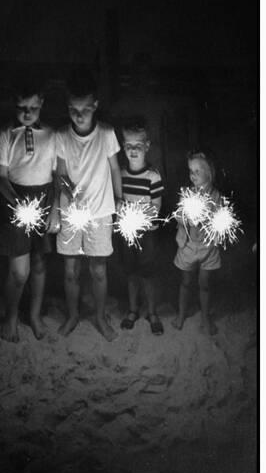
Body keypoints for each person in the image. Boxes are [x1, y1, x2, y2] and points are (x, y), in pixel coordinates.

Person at [0, 79, 59, 343]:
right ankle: (11, 315)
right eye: (21, 107)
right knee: (19, 271)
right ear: (12, 104)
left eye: (33, 108)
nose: (27, 113)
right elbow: (0, 177)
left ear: (42, 105)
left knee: (39, 264)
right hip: (15, 200)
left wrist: (55, 210)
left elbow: (57, 175)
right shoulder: (5, 133)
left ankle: (35, 315)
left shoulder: (52, 135)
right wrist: (16, 204)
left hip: (44, 199)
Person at [55, 70, 123, 342]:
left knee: (98, 269)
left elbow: (115, 169)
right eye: (73, 109)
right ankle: (72, 315)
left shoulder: (106, 133)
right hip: (71, 214)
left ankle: (99, 316)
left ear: (95, 105)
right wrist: (68, 189)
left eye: (84, 109)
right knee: (70, 269)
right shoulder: (62, 135)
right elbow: (59, 173)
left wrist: (119, 202)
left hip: (101, 210)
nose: (79, 115)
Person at [118, 123, 165, 335]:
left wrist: (136, 216)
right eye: (128, 145)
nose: (133, 150)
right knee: (131, 272)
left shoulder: (153, 177)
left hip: (147, 234)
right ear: (122, 146)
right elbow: (118, 203)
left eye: (138, 145)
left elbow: (156, 208)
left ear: (147, 146)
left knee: (149, 273)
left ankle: (153, 312)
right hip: (128, 234)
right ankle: (133, 310)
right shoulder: (120, 174)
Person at [172, 152, 221, 335]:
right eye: (191, 171)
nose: (193, 175)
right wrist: (186, 218)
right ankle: (182, 314)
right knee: (185, 282)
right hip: (188, 246)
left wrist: (207, 220)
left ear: (209, 173)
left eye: (198, 171)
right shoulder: (187, 194)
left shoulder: (216, 196)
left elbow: (222, 222)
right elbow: (178, 215)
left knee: (205, 283)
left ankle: (206, 318)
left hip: (208, 248)